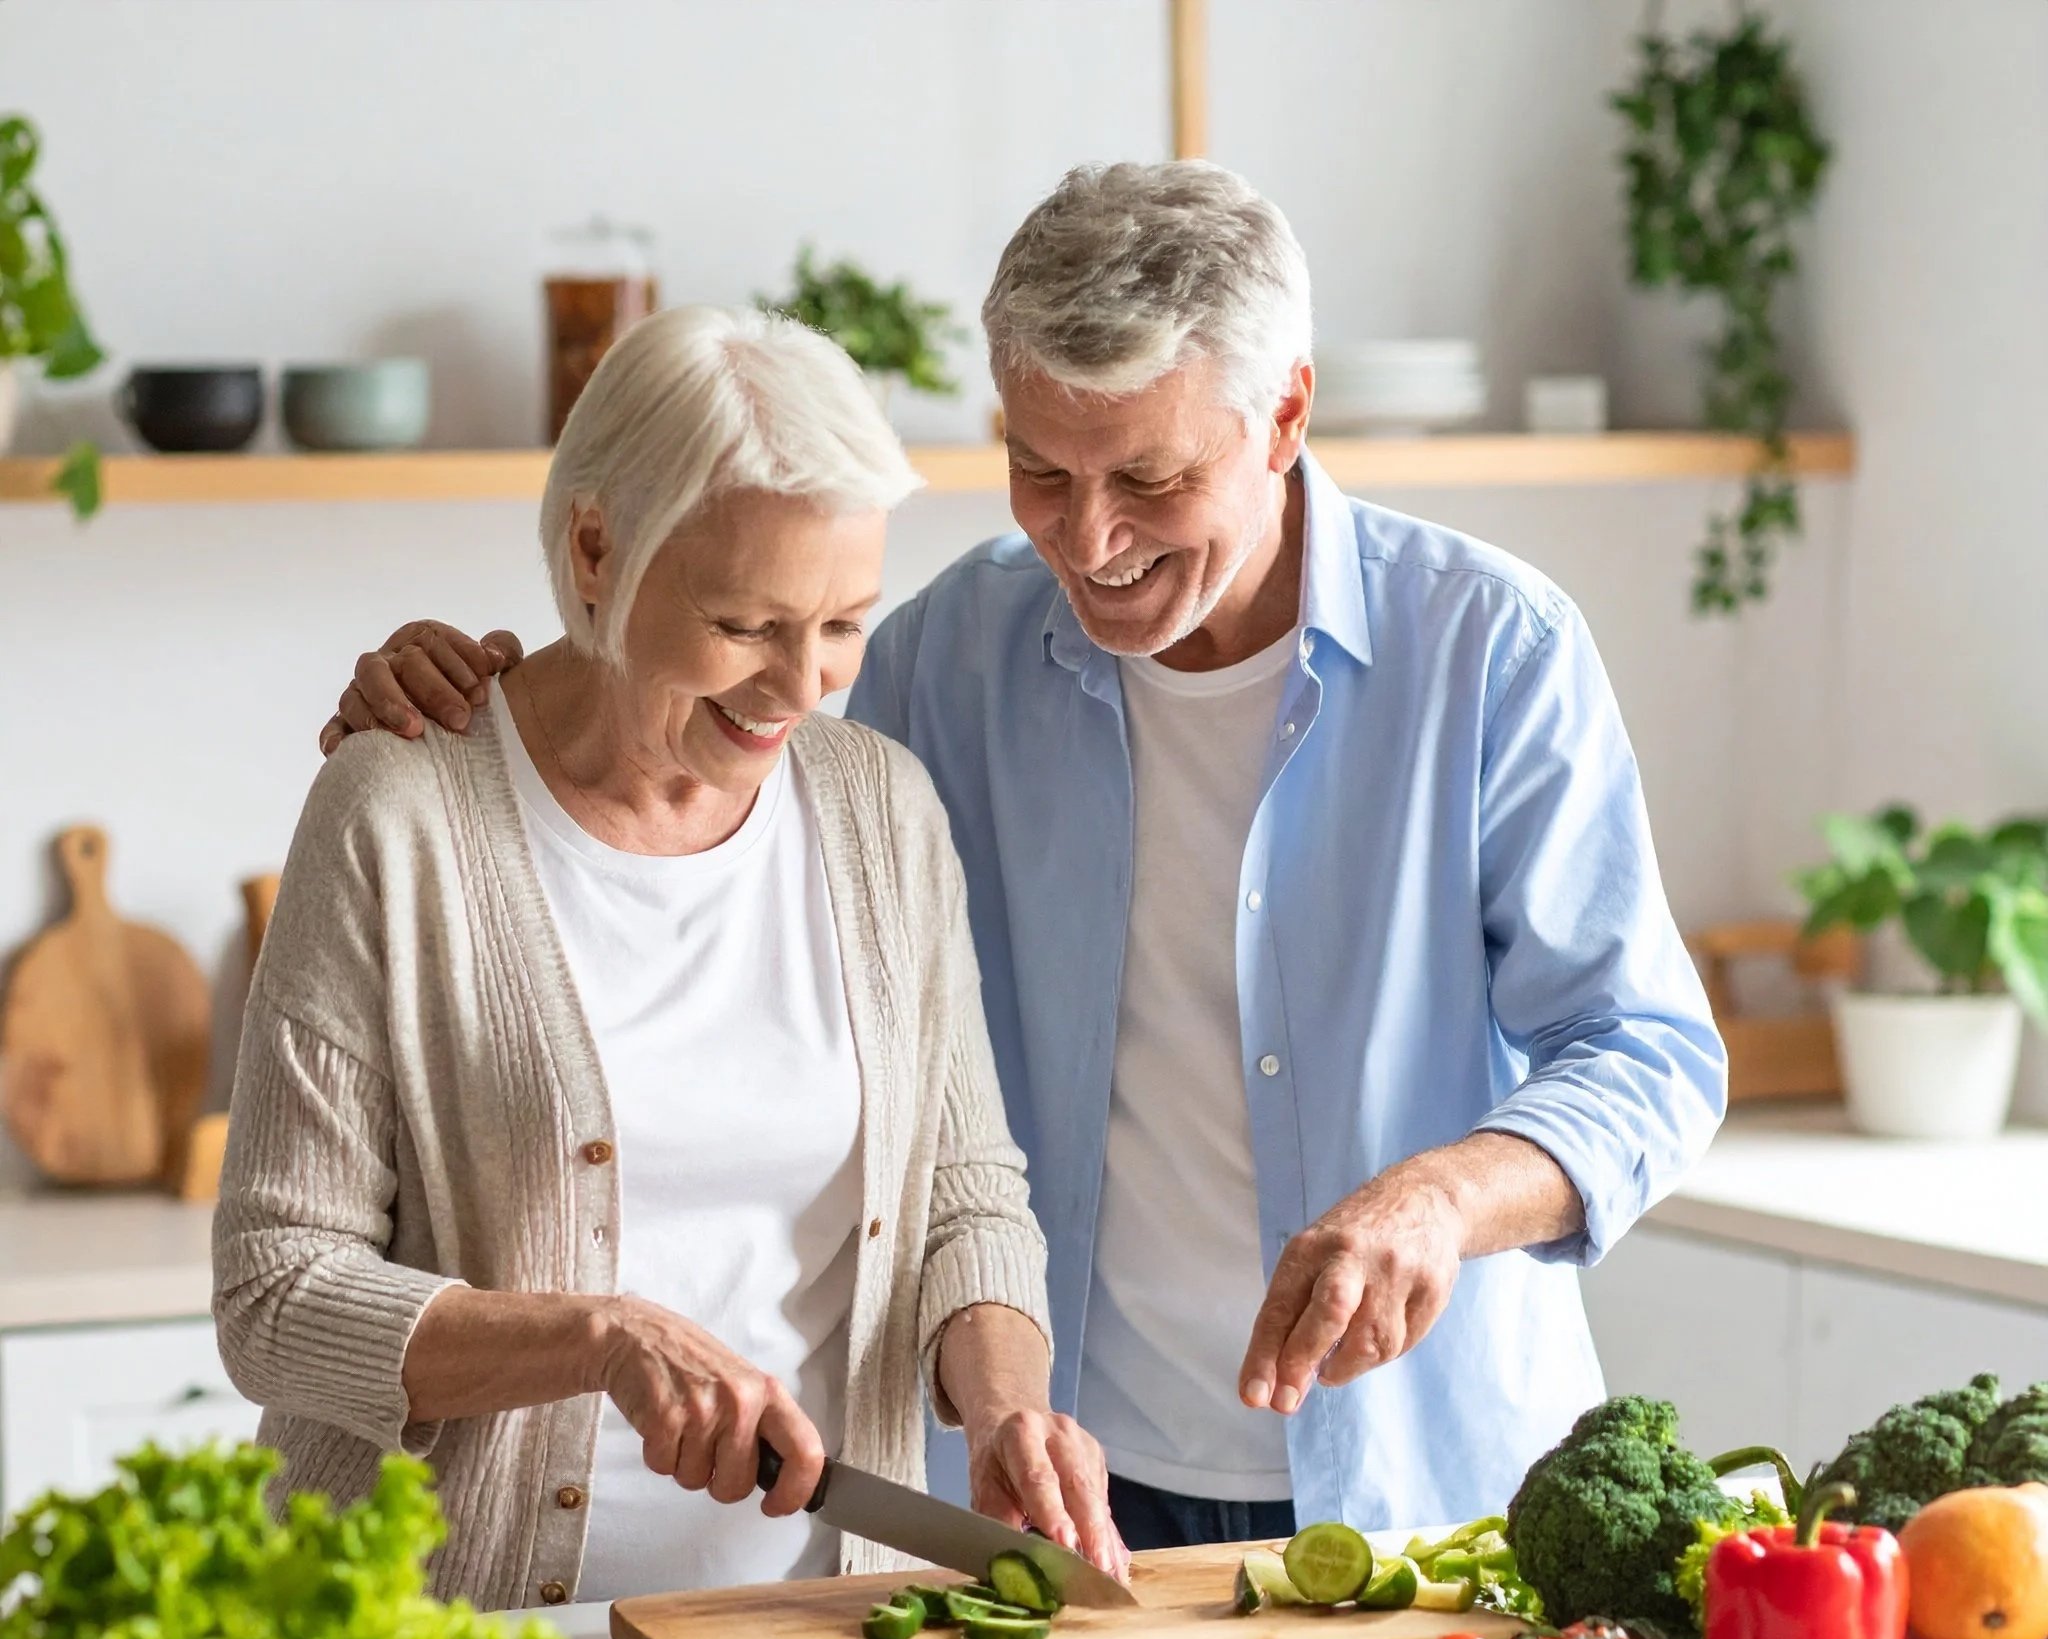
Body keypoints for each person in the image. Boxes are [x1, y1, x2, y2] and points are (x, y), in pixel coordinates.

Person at [321, 162, 1726, 1554]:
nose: (1092, 539)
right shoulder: (944, 655)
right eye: (1039, 471)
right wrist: (472, 707)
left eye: (1151, 479)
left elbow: (1650, 1053)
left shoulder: (1492, 652)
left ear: (1284, 413)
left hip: (1423, 1481)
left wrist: (1444, 1197)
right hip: (1049, 1490)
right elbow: (704, 753)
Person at [218, 305, 1124, 1611]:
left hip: (807, 1630)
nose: (801, 683)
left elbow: (965, 1196)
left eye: (843, 625)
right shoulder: (400, 815)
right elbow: (277, 1296)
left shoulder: (881, 810)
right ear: (598, 548)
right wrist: (599, 1337)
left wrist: (1003, 1410)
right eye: (748, 624)